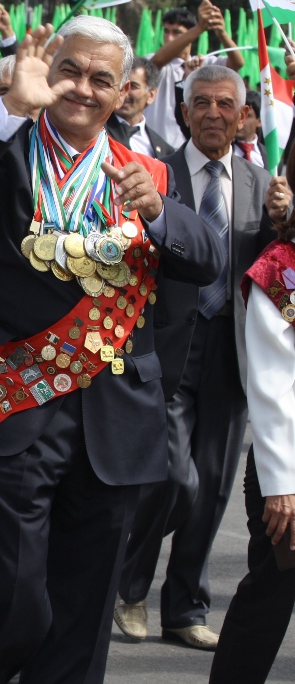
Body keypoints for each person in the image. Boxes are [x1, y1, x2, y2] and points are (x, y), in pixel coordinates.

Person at [0, 18, 225, 682]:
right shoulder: (3, 154)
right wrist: (10, 108)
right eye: (71, 71)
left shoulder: (146, 172)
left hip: (118, 418)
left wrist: (159, 212)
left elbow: (208, 259)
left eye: (101, 79)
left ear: (125, 91)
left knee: (83, 615)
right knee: (13, 594)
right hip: (21, 408)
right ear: (49, 71)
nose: (83, 88)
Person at [113, 64, 284, 650]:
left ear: (243, 115)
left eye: (224, 104)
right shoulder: (156, 173)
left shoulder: (262, 184)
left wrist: (285, 222)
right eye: (201, 103)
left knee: (211, 487)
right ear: (183, 113)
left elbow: (274, 264)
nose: (213, 113)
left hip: (234, 352)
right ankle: (129, 584)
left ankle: (185, 606)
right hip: (165, 347)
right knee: (173, 479)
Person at [209, 212, 295, 683]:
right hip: (287, 469)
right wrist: (281, 485)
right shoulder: (281, 267)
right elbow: (271, 385)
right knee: (270, 596)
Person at [147, 2, 243, 150]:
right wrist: (200, 28)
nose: (170, 38)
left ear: (191, 36)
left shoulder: (205, 63)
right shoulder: (155, 60)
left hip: (189, 149)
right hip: (155, 148)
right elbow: (156, 62)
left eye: (177, 32)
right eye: (166, 31)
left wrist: (221, 33)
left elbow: (237, 62)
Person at [105, 56, 175, 160]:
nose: (124, 92)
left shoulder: (165, 150)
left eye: (132, 86)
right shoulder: (97, 130)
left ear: (151, 95)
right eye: (121, 85)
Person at [234, 90, 267, 168]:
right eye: (237, 114)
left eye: (247, 116)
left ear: (259, 121)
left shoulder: (270, 158)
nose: (240, 120)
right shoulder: (220, 151)